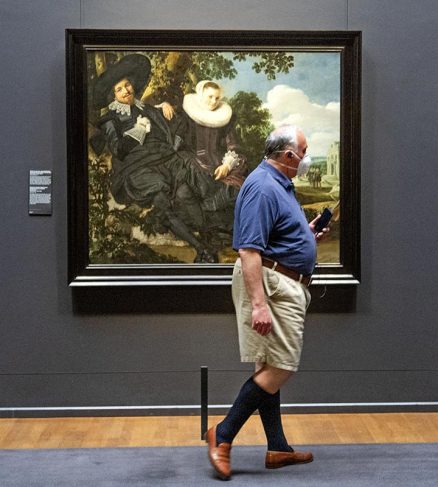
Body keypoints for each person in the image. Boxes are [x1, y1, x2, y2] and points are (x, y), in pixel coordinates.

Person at [206, 125, 328, 481]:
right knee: (282, 366)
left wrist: (305, 233)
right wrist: (259, 304)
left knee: (269, 365)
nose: (305, 159)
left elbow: (274, 235)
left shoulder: (279, 184)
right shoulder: (261, 186)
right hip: (272, 286)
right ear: (288, 155)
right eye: (303, 153)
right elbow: (248, 248)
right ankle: (223, 434)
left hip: (283, 282)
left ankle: (277, 448)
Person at [92, 54, 216, 262]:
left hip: (166, 160)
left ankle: (206, 238)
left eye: (127, 85)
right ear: (112, 95)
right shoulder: (110, 120)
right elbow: (118, 150)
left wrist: (172, 134)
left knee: (186, 192)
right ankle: (201, 249)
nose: (126, 91)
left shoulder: (148, 109)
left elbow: (178, 125)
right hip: (137, 169)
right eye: (119, 89)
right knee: (162, 201)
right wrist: (137, 131)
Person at [180, 80, 247, 214]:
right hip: (197, 164)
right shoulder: (188, 117)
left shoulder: (224, 119)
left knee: (239, 189)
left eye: (217, 98)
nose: (213, 101)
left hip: (219, 164)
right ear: (201, 96)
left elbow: (233, 147)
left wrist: (226, 165)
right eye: (210, 97)